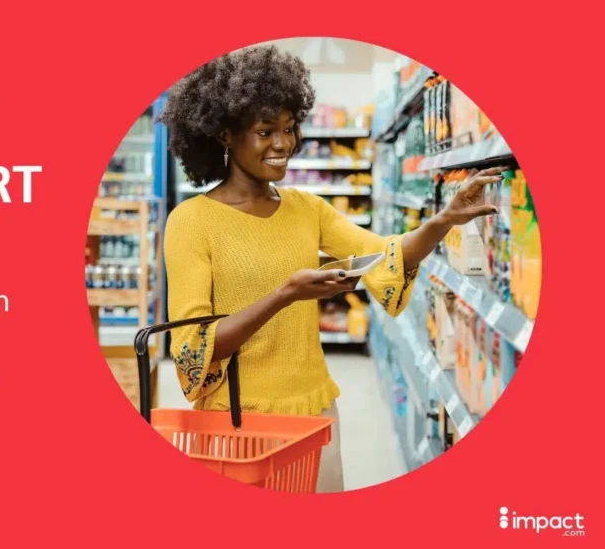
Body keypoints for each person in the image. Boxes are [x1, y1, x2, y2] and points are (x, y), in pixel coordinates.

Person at [158, 44, 502, 492]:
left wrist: (441, 221)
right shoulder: (191, 221)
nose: (283, 144)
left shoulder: (307, 208)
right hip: (238, 421)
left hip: (316, 412)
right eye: (266, 131)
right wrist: (286, 294)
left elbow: (385, 255)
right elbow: (192, 348)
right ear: (225, 135)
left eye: (289, 128)